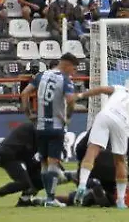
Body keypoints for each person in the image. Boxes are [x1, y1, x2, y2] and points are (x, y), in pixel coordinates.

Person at [68, 85, 129, 209]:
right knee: (120, 161)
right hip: (122, 122)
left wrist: (80, 95)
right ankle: (121, 201)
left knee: (92, 150)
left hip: (105, 115)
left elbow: (101, 89)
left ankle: (82, 185)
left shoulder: (122, 89)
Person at [20, 54, 79, 203]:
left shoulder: (42, 75)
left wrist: (29, 114)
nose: (74, 72)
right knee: (53, 163)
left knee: (44, 163)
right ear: (67, 65)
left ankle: (48, 197)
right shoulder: (65, 79)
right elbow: (71, 100)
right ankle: (51, 199)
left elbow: (25, 93)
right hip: (56, 127)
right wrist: (68, 116)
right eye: (73, 68)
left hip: (40, 126)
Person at [0, 121, 46, 208]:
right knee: (24, 182)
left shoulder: (38, 130)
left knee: (42, 178)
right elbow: (32, 150)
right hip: (9, 156)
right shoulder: (38, 130)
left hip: (19, 155)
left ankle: (25, 200)